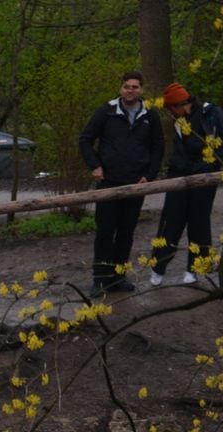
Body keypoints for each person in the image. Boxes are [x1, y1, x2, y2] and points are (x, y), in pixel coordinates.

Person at [76, 72, 163, 295]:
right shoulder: (106, 111)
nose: (130, 91)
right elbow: (85, 139)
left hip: (136, 183)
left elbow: (158, 147)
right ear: (120, 88)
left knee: (126, 231)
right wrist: (95, 165)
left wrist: (149, 175)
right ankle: (99, 279)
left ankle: (118, 277)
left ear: (141, 90)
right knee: (105, 230)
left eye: (134, 87)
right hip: (109, 181)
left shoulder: (150, 115)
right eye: (126, 87)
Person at [150, 83, 223, 287]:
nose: (170, 113)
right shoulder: (179, 121)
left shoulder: (211, 112)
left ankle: (197, 267)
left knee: (198, 220)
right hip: (180, 173)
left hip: (205, 175)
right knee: (171, 219)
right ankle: (158, 266)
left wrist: (212, 162)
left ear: (179, 104)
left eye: (171, 108)